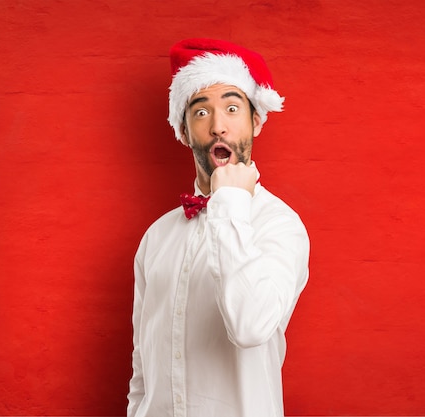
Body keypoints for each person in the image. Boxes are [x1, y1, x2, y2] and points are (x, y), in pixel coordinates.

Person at [127, 38, 310, 417]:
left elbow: (250, 327)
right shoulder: (156, 237)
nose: (218, 127)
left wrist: (229, 203)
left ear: (256, 121)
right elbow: (142, 364)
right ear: (183, 130)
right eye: (200, 112)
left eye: (231, 107)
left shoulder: (280, 225)